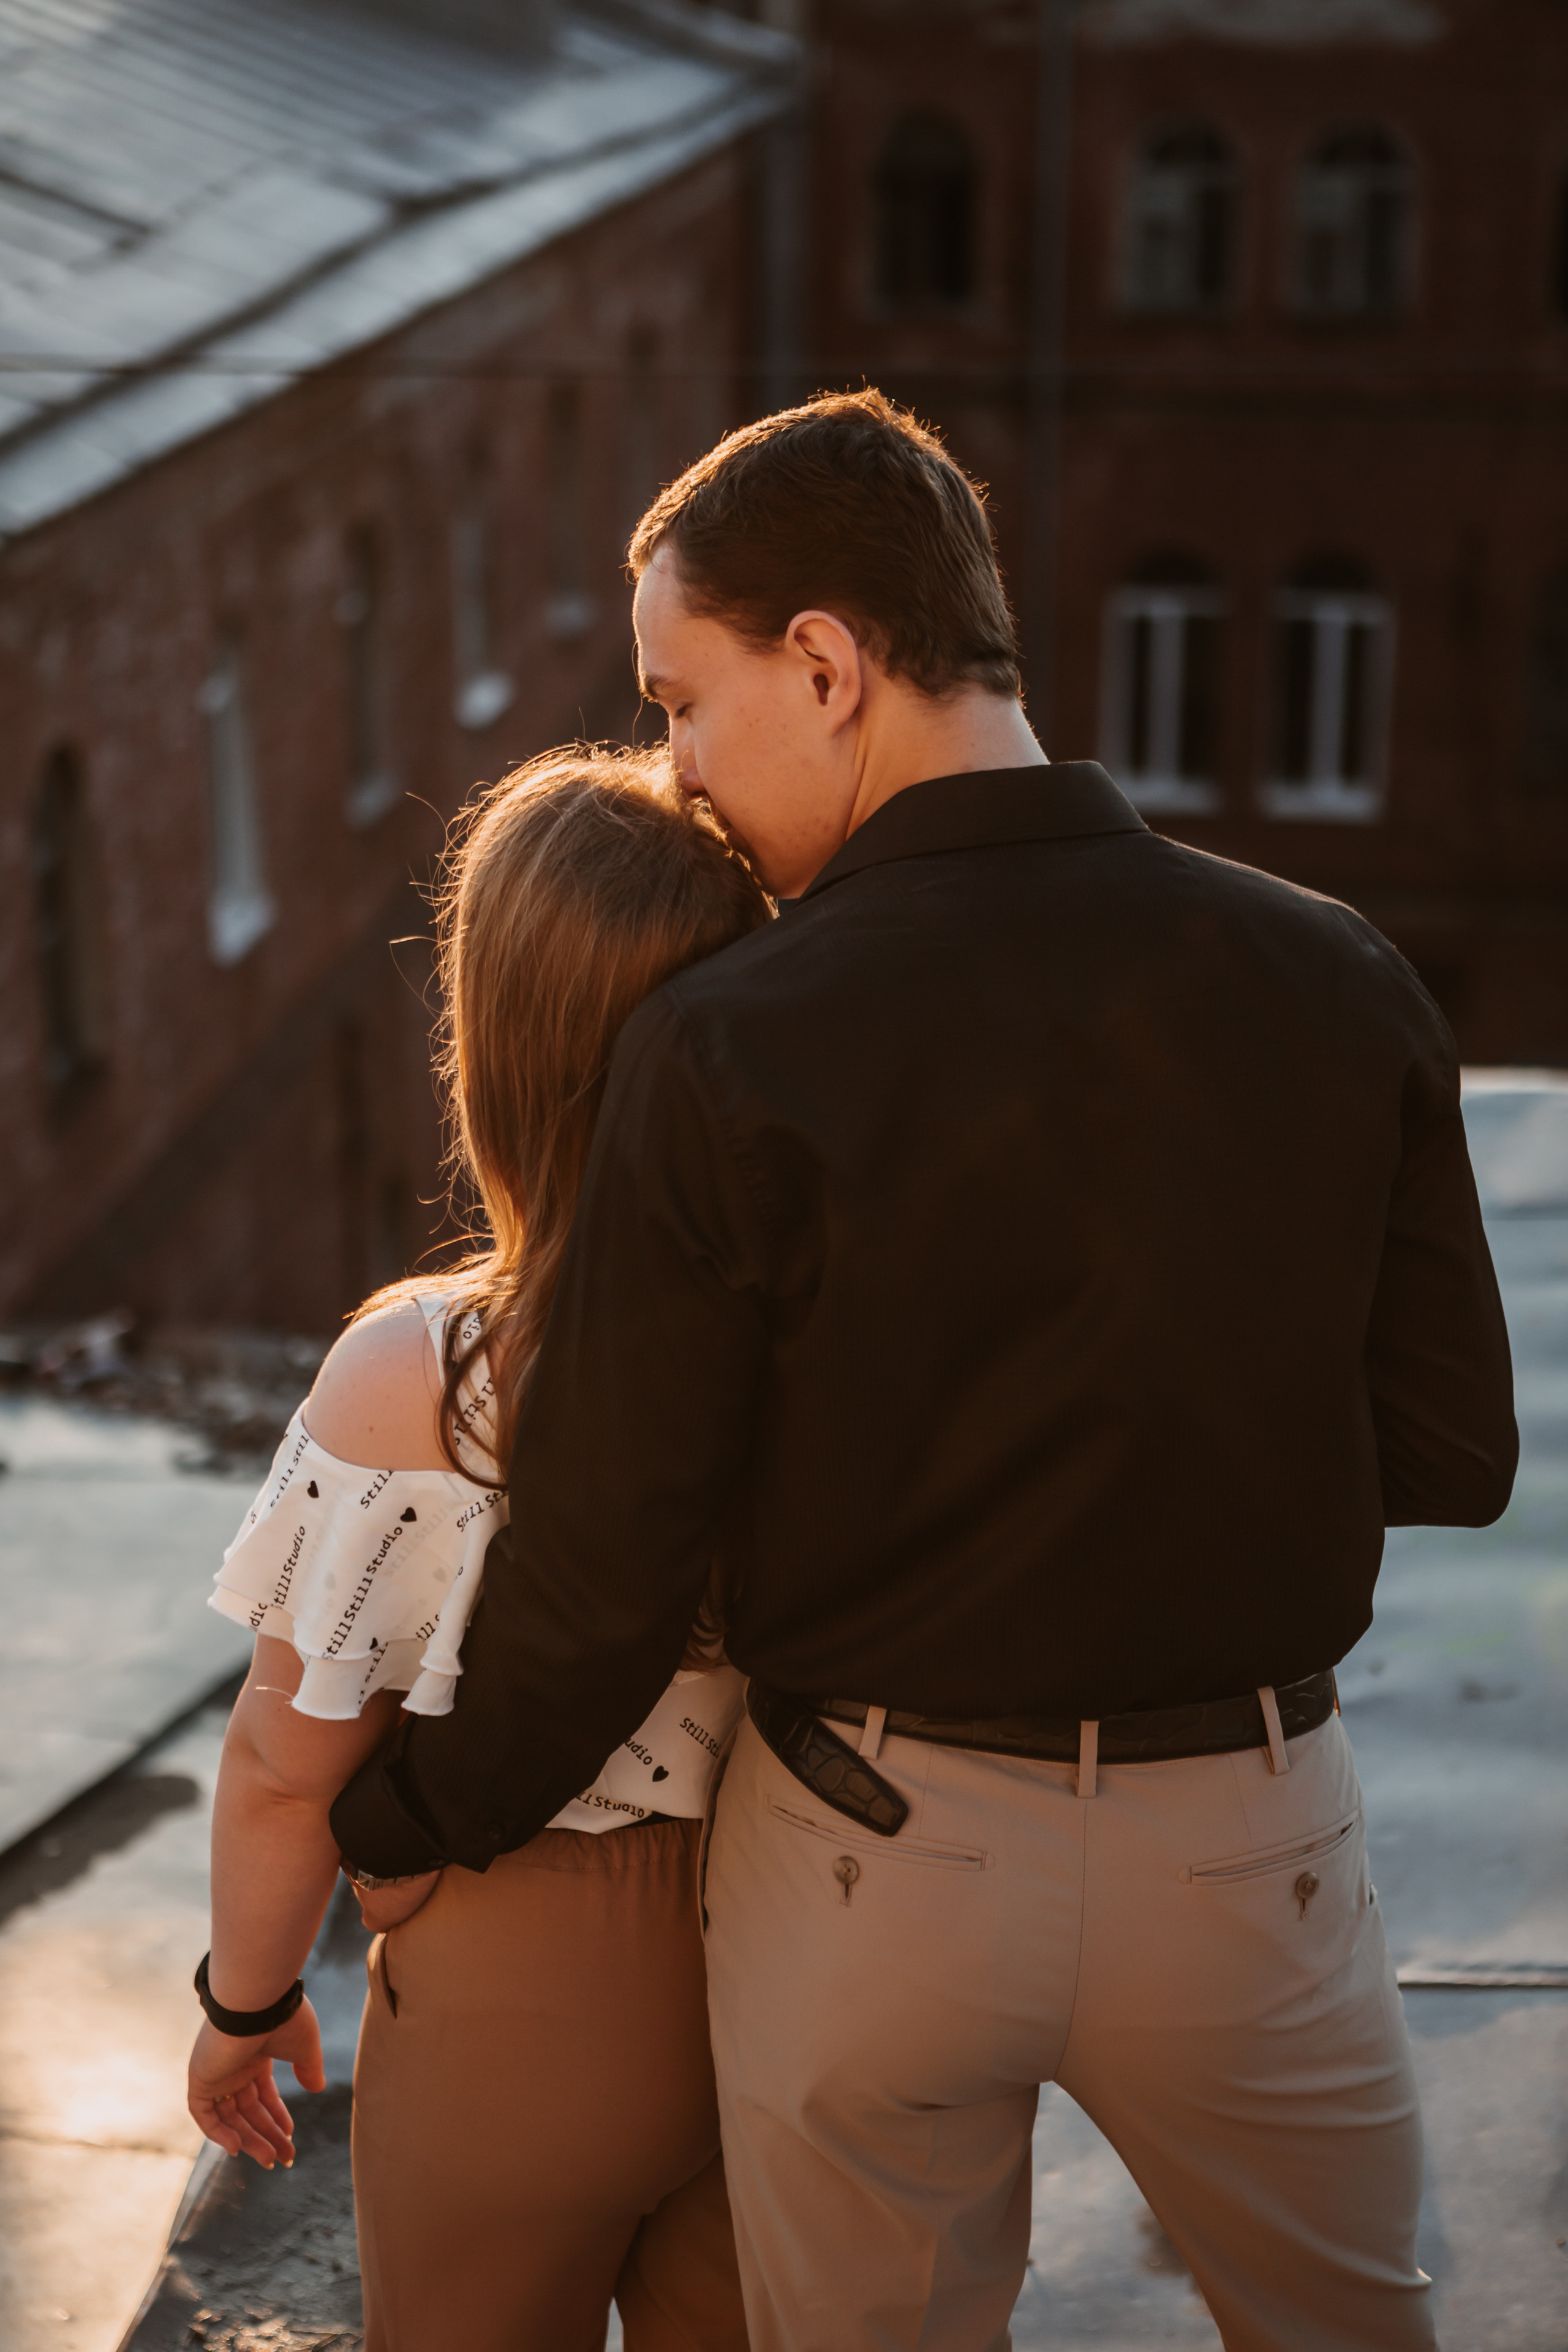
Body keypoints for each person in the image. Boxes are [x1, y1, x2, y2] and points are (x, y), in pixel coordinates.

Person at [331, 390, 1518, 2351]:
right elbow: (1454, 1447)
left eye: (683, 702)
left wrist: (402, 1820)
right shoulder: (1338, 974)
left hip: (874, 1856)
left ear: (827, 664)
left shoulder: (724, 1048)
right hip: (1246, 1844)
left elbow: (606, 1570)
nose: (681, 774)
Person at [185, 747, 771, 2351]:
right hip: (810, 1947)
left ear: (488, 1040)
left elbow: (283, 1764)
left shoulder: (419, 1375)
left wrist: (243, 2006)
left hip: (528, 1974)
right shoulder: (816, 1332)